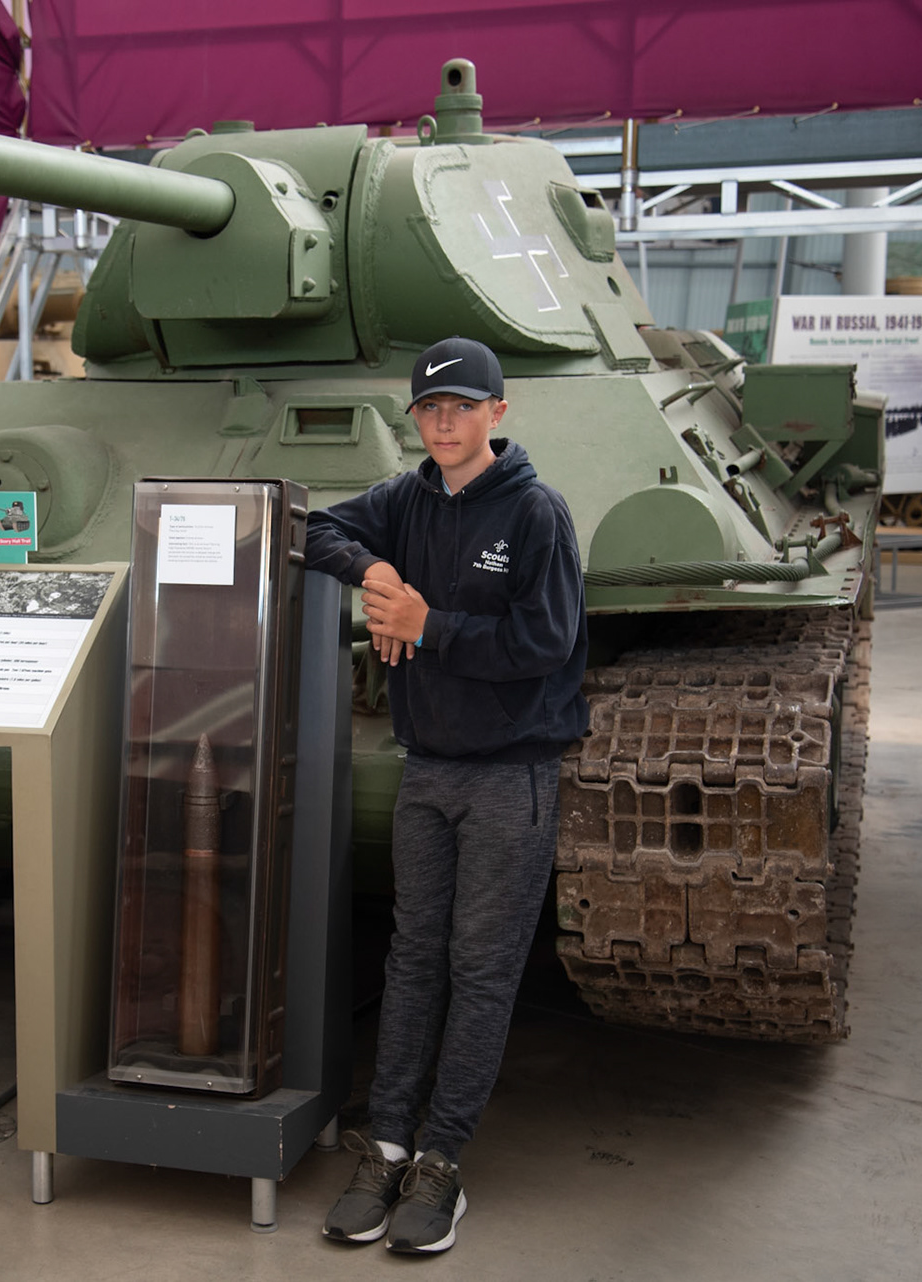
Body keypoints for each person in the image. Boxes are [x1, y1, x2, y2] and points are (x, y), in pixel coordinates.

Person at [305, 335, 588, 1255]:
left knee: (482, 967)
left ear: (497, 413)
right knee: (415, 958)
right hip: (427, 768)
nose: (444, 423)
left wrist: (430, 627)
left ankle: (443, 1159)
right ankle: (388, 1142)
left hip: (511, 773)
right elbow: (312, 526)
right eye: (430, 408)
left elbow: (545, 644)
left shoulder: (536, 512)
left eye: (462, 407)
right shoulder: (406, 499)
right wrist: (374, 572)